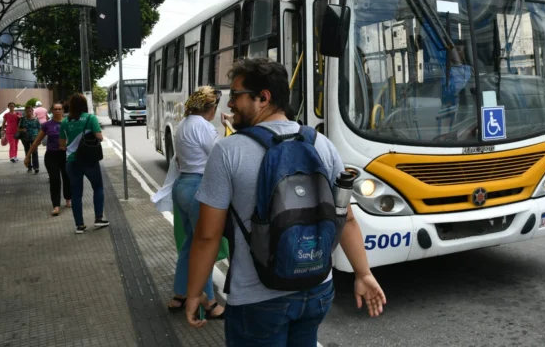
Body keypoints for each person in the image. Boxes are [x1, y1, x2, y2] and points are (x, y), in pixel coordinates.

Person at [185, 58, 386, 345]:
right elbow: (347, 218)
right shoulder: (320, 143)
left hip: (258, 299)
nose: (229, 105)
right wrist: (363, 274)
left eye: (236, 96)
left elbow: (208, 235)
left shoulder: (228, 151)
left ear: (263, 98)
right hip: (317, 289)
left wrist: (193, 294)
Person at [158, 86, 225, 319]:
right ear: (211, 107)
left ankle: (180, 295)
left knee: (189, 244)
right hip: (199, 188)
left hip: (182, 186)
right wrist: (226, 129)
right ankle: (210, 302)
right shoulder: (204, 126)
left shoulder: (184, 124)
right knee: (203, 246)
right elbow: (218, 156)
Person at [59, 93, 109, 234]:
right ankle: (98, 218)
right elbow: (99, 136)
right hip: (89, 160)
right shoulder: (90, 118)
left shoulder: (65, 121)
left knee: (76, 194)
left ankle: (79, 226)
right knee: (98, 187)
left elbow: (62, 144)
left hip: (72, 161)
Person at [26, 102, 72, 216]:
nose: (57, 111)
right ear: (51, 111)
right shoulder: (47, 125)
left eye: (59, 109)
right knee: (55, 180)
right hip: (51, 156)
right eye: (55, 109)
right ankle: (56, 205)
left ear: (63, 111)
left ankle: (68, 199)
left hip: (66, 155)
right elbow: (37, 141)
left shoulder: (69, 123)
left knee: (67, 178)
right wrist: (28, 156)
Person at [19, 106, 41, 174]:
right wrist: (23, 129)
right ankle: (29, 166)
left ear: (32, 111)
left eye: (30, 111)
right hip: (25, 138)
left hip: (34, 138)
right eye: (27, 111)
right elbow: (18, 129)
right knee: (27, 151)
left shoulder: (36, 119)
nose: (29, 112)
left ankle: (36, 167)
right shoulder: (23, 119)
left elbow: (40, 129)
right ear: (25, 111)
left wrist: (39, 139)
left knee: (35, 152)